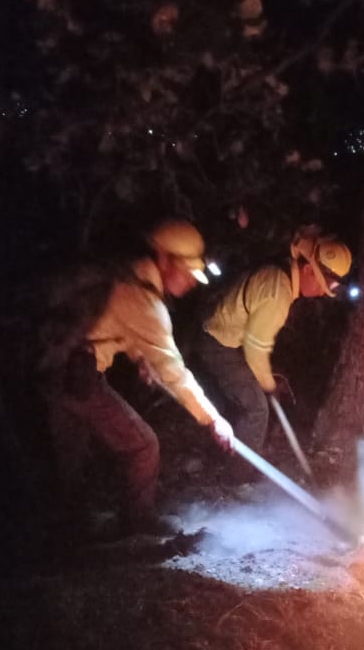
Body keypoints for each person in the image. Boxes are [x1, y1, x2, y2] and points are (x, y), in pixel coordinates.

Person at [46, 219, 234, 536]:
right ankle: (137, 523)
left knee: (68, 460)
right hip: (74, 377)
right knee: (143, 446)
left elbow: (125, 334)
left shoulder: (128, 277)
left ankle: (72, 533)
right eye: (186, 271)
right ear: (163, 259)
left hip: (51, 370)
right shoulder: (143, 302)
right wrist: (213, 419)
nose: (191, 281)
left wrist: (142, 360)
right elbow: (175, 373)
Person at [196, 226, 352, 453]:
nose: (323, 292)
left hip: (225, 337)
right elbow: (255, 349)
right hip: (217, 343)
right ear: (308, 269)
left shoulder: (281, 273)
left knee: (256, 388)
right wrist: (268, 385)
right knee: (257, 409)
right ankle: (239, 476)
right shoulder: (279, 293)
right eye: (325, 284)